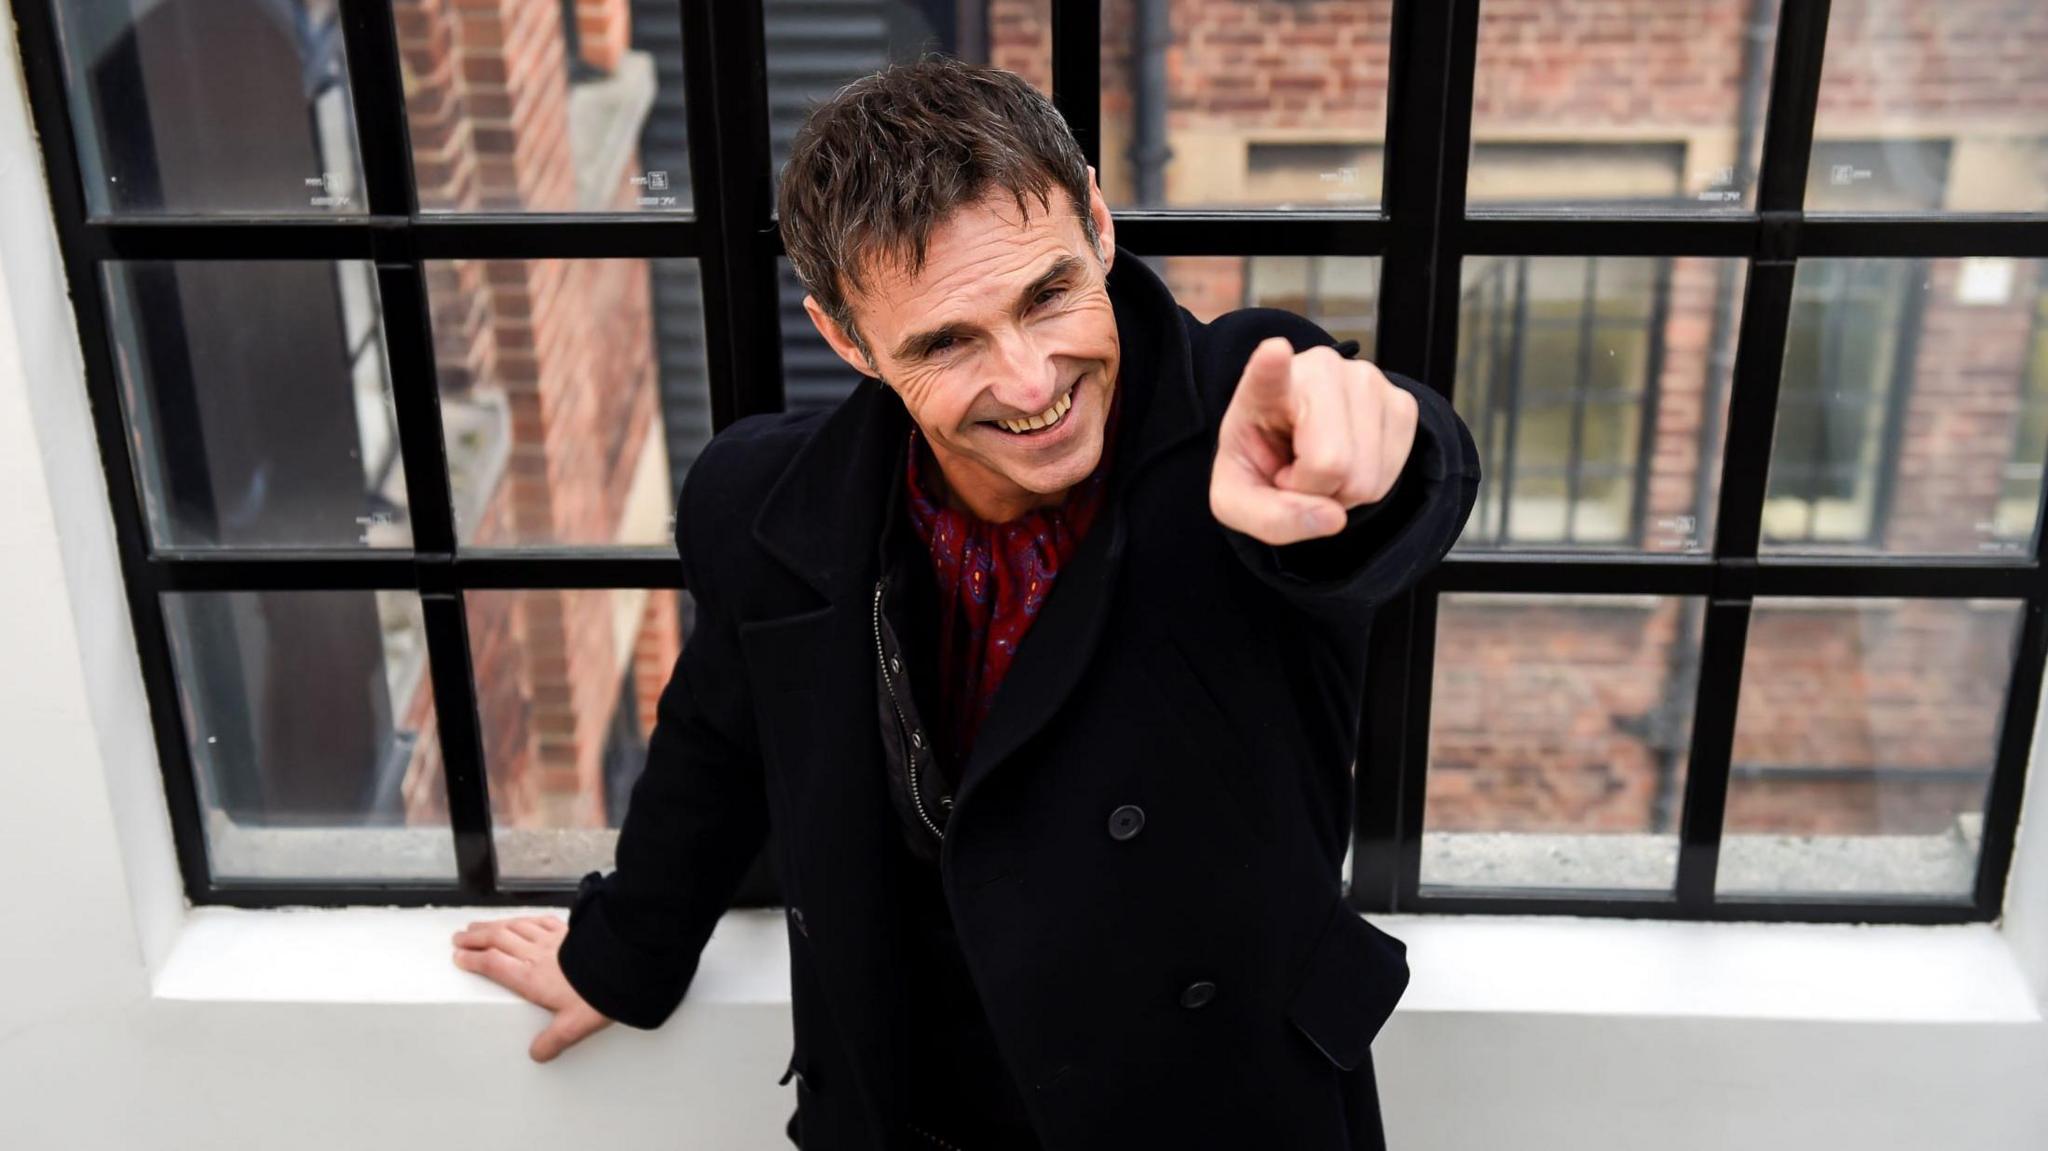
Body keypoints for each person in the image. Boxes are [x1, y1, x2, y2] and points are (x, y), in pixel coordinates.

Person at [451, 55, 1481, 1150]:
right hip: (917, 1111)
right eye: (948, 342)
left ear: (1094, 218)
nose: (1032, 383)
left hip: (1216, 1109)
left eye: (1047, 295)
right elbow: (718, 737)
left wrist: (1369, 457)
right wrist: (623, 951)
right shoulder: (763, 504)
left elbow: (1390, 481)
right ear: (847, 340)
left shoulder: (1234, 415)